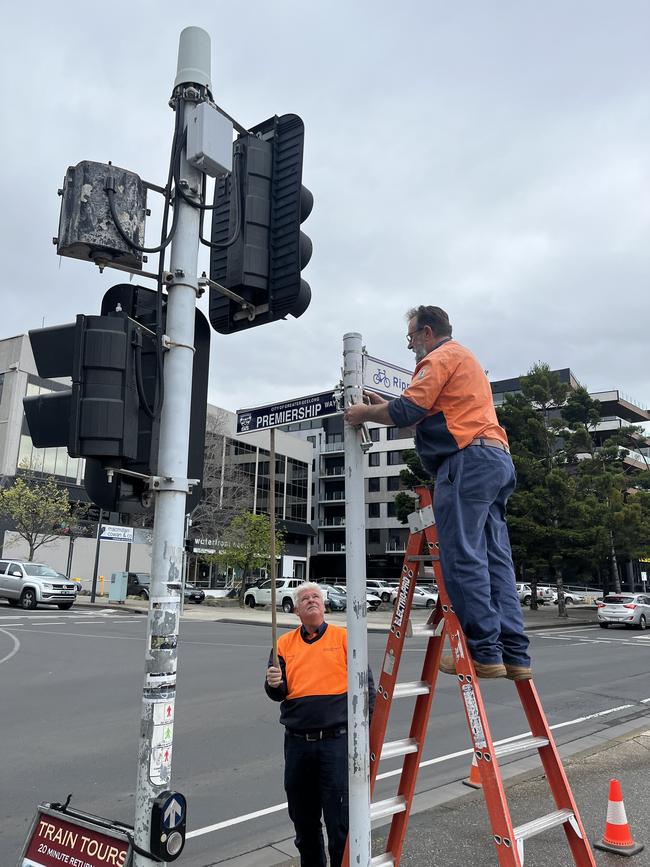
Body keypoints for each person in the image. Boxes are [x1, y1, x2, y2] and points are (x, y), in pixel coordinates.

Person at [344, 305, 531, 681]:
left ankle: (484, 652)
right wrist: (383, 407)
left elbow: (410, 406)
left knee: (463, 557)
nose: (411, 344)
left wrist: (363, 413)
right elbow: (425, 414)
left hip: (467, 462)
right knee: (497, 561)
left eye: (412, 336)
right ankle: (516, 656)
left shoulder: (439, 358)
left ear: (427, 333)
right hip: (494, 458)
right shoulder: (465, 361)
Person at [265, 582, 375, 866]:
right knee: (304, 822)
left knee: (340, 824)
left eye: (316, 597)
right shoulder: (283, 644)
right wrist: (273, 684)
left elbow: (367, 690)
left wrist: (363, 735)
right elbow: (278, 692)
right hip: (298, 744)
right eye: (304, 599)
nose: (311, 601)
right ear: (297, 609)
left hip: (335, 744)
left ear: (324, 605)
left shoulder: (344, 638)